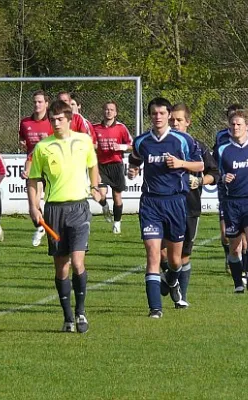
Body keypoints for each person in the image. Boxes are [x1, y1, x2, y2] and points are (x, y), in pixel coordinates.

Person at [27, 99, 101, 333]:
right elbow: (33, 179)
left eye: (60, 119)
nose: (56, 123)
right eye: (52, 120)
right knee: (61, 267)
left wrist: (96, 187)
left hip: (79, 208)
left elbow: (93, 165)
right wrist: (33, 206)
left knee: (78, 262)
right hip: (54, 210)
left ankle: (80, 313)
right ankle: (67, 316)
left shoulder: (84, 141)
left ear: (70, 119)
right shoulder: (42, 147)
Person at [127, 97, 203, 319]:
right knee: (152, 254)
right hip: (150, 203)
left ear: (169, 115)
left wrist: (180, 164)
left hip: (176, 202)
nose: (157, 117)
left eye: (161, 113)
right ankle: (155, 309)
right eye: (153, 113)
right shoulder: (142, 141)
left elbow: (199, 165)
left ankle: (171, 280)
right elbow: (135, 160)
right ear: (149, 115)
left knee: (175, 260)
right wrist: (132, 171)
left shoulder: (182, 140)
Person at [161, 103, 219, 308]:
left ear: (188, 122)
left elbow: (214, 173)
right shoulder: (161, 144)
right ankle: (171, 279)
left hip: (189, 207)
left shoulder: (198, 146)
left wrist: (200, 181)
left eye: (179, 120)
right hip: (163, 206)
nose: (175, 123)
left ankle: (180, 295)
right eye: (172, 120)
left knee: (184, 254)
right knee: (160, 251)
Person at [214, 109, 248, 293]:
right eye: (232, 124)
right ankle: (238, 282)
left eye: (239, 124)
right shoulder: (222, 149)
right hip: (231, 203)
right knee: (234, 248)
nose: (235, 127)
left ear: (247, 126)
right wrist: (222, 178)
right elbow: (215, 174)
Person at [92, 101, 133, 234]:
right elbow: (89, 143)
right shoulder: (95, 128)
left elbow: (132, 145)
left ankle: (117, 223)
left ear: (115, 113)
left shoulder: (121, 128)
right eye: (106, 109)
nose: (108, 111)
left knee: (117, 196)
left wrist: (120, 147)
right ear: (103, 111)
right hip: (101, 166)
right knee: (100, 194)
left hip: (116, 165)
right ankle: (104, 206)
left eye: (111, 109)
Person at [213, 103, 245, 274]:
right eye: (231, 119)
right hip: (225, 189)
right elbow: (215, 161)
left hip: (245, 190)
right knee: (225, 232)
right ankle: (229, 257)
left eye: (238, 120)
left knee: (246, 232)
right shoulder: (220, 137)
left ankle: (246, 261)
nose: (235, 125)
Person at [19, 90, 53, 247]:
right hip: (34, 165)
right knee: (33, 204)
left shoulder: (53, 122)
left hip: (52, 167)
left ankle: (53, 230)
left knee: (53, 203)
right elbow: (24, 142)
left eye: (40, 102)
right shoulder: (25, 123)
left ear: (46, 104)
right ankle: (40, 228)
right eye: (34, 102)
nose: (37, 105)